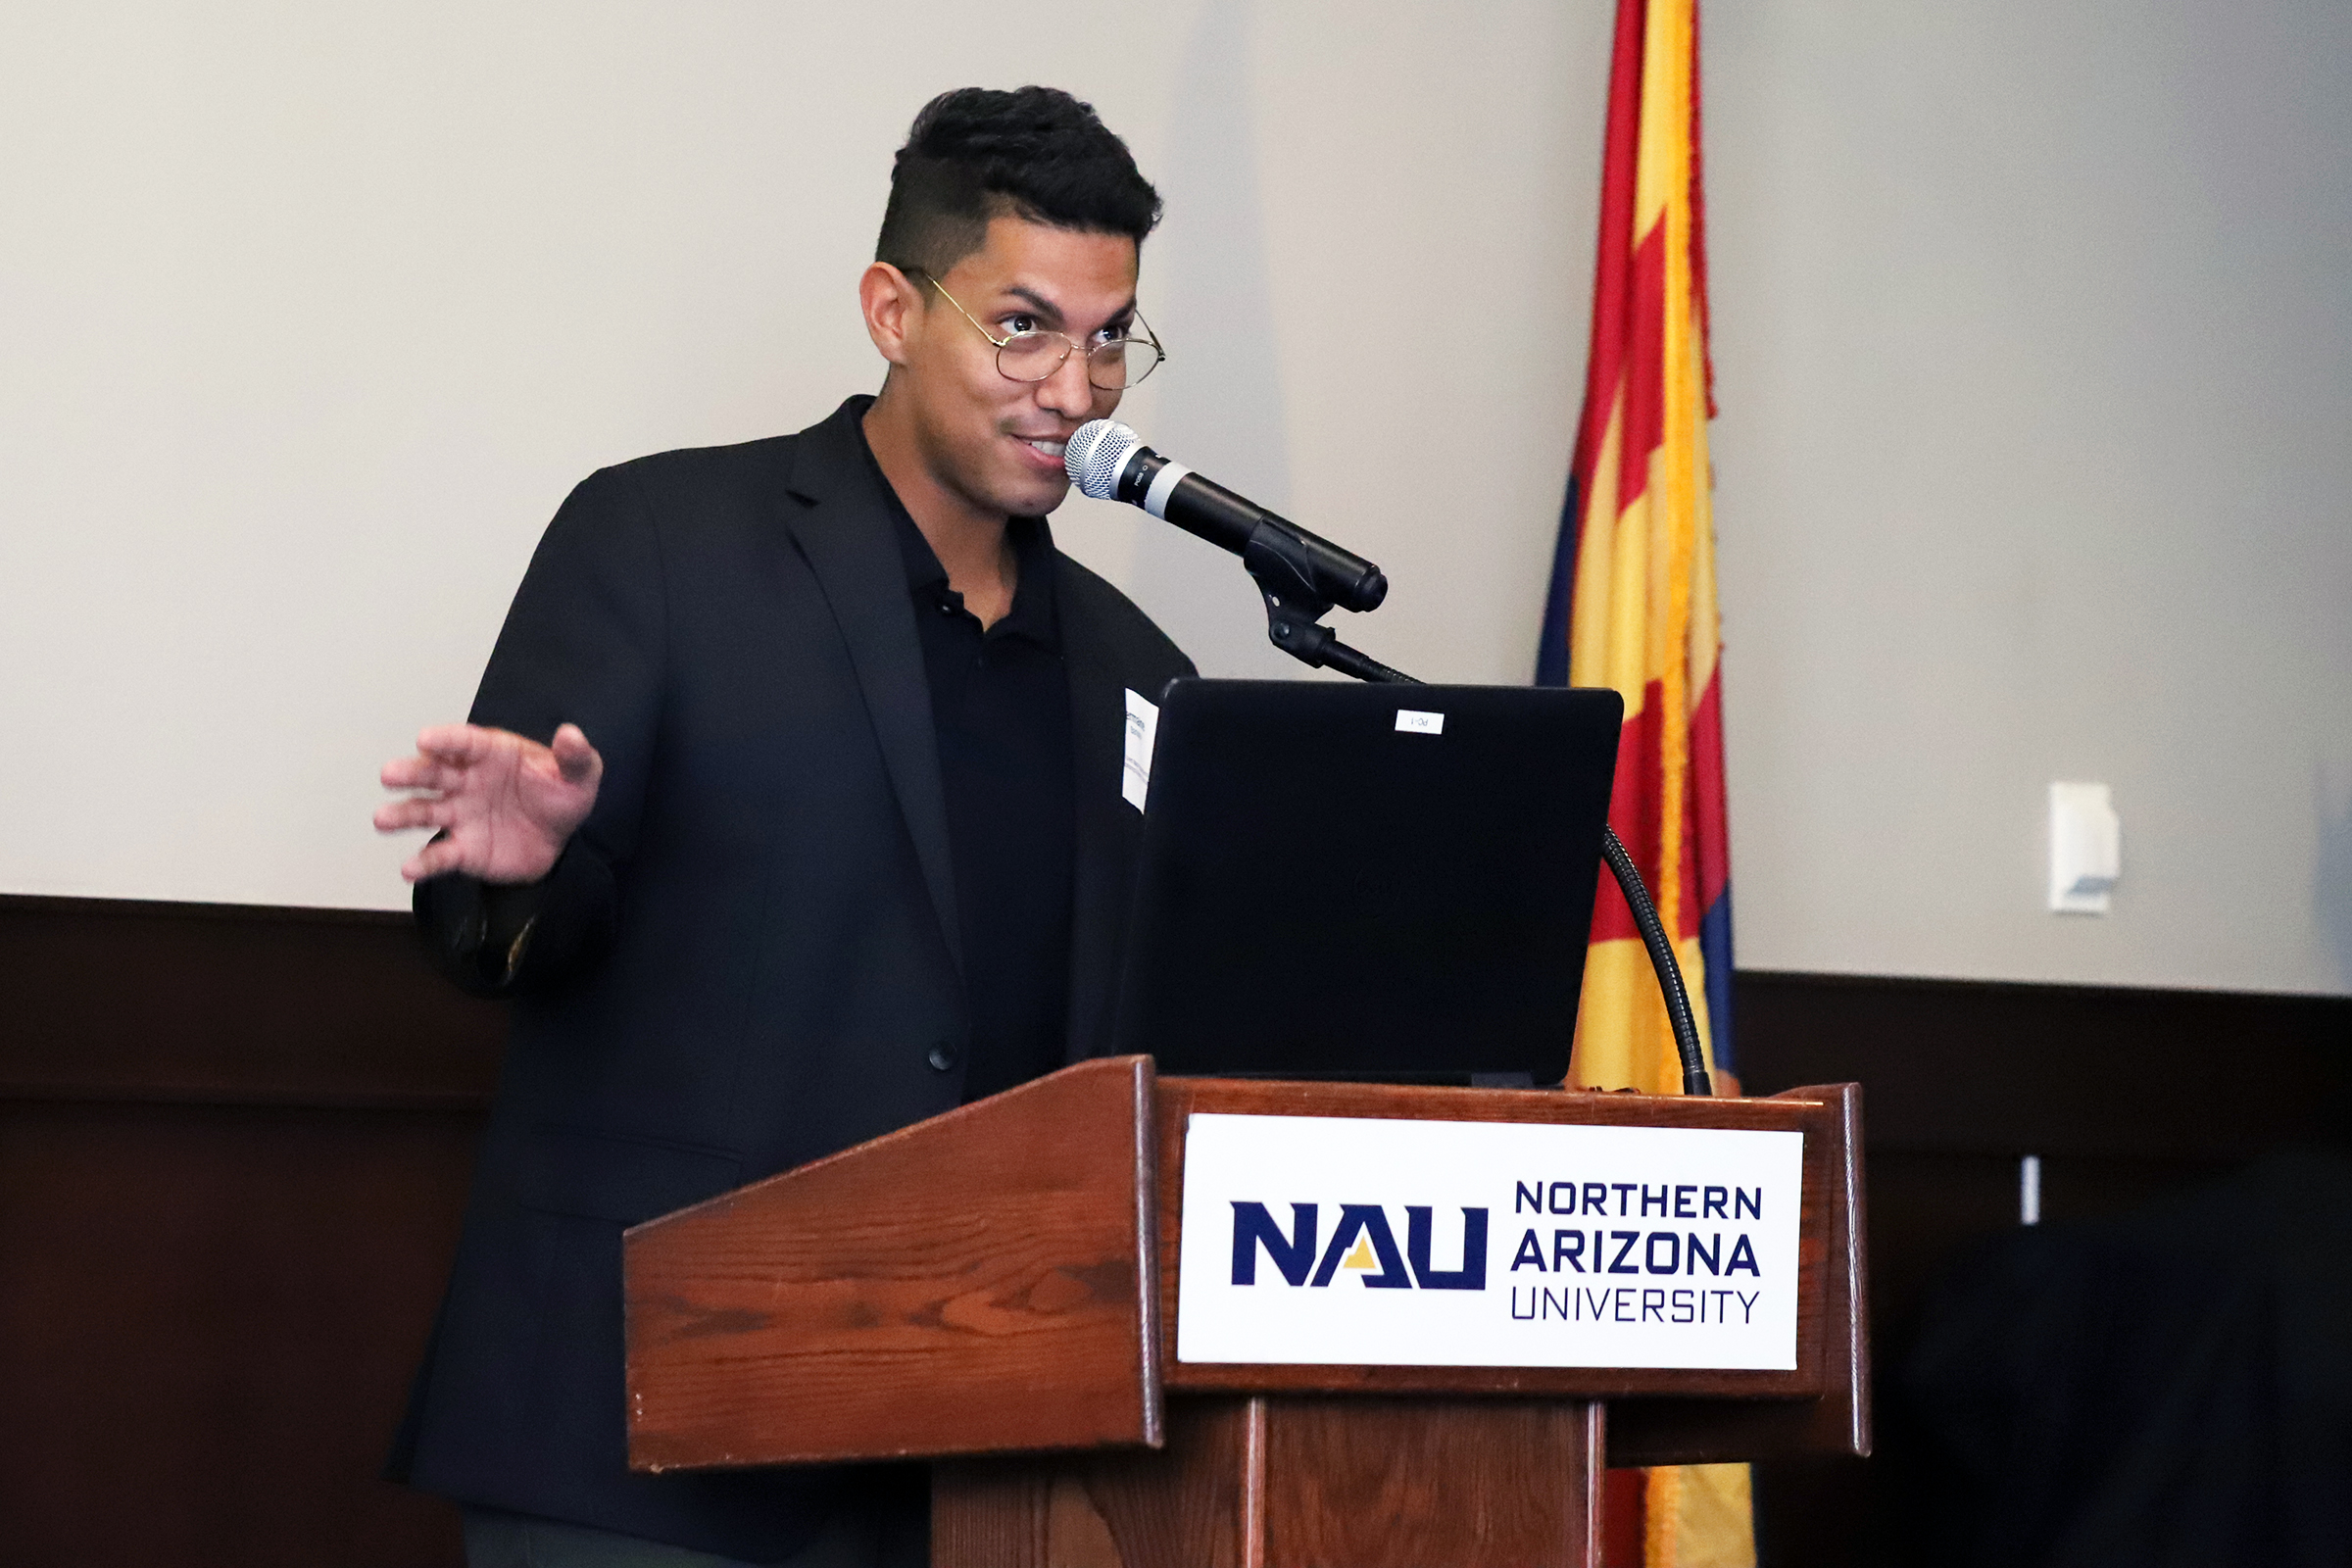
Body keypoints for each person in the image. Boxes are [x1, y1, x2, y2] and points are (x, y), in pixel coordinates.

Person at [373, 86, 1195, 1568]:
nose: (1072, 390)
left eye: (1107, 335)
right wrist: (529, 868)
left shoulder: (1139, 674)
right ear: (893, 308)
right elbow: (508, 944)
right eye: (1021, 325)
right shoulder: (662, 545)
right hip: (641, 1449)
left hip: (984, 1459)